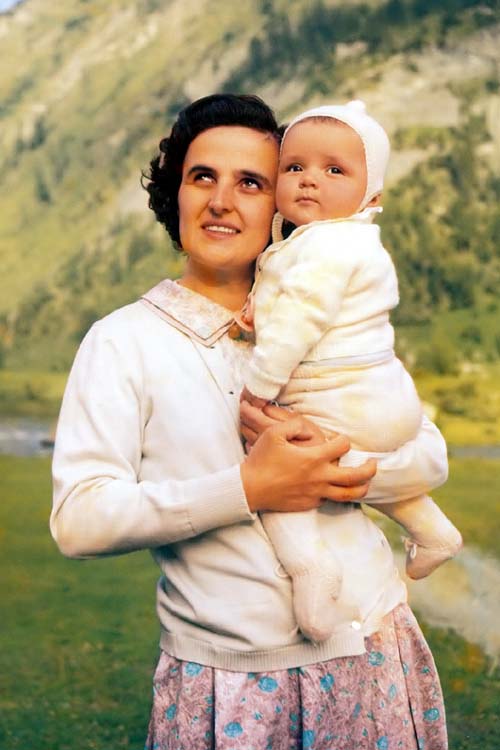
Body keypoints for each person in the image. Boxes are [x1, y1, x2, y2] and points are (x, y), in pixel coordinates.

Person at [51, 94, 449, 749]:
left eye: (251, 182)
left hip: (376, 644)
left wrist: (332, 472)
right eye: (201, 176)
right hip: (232, 679)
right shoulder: (123, 341)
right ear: (174, 193)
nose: (221, 201)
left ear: (283, 203)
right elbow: (79, 519)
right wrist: (248, 489)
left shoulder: (329, 312)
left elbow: (428, 455)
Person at [240, 100, 462, 644]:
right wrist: (257, 309)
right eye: (294, 167)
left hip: (339, 394)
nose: (309, 179)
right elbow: (296, 302)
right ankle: (432, 529)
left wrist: (259, 387)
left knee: (278, 468)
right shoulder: (344, 242)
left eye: (334, 170)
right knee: (359, 466)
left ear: (372, 196)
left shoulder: (328, 245)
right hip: (383, 395)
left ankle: (312, 570)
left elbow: (301, 317)